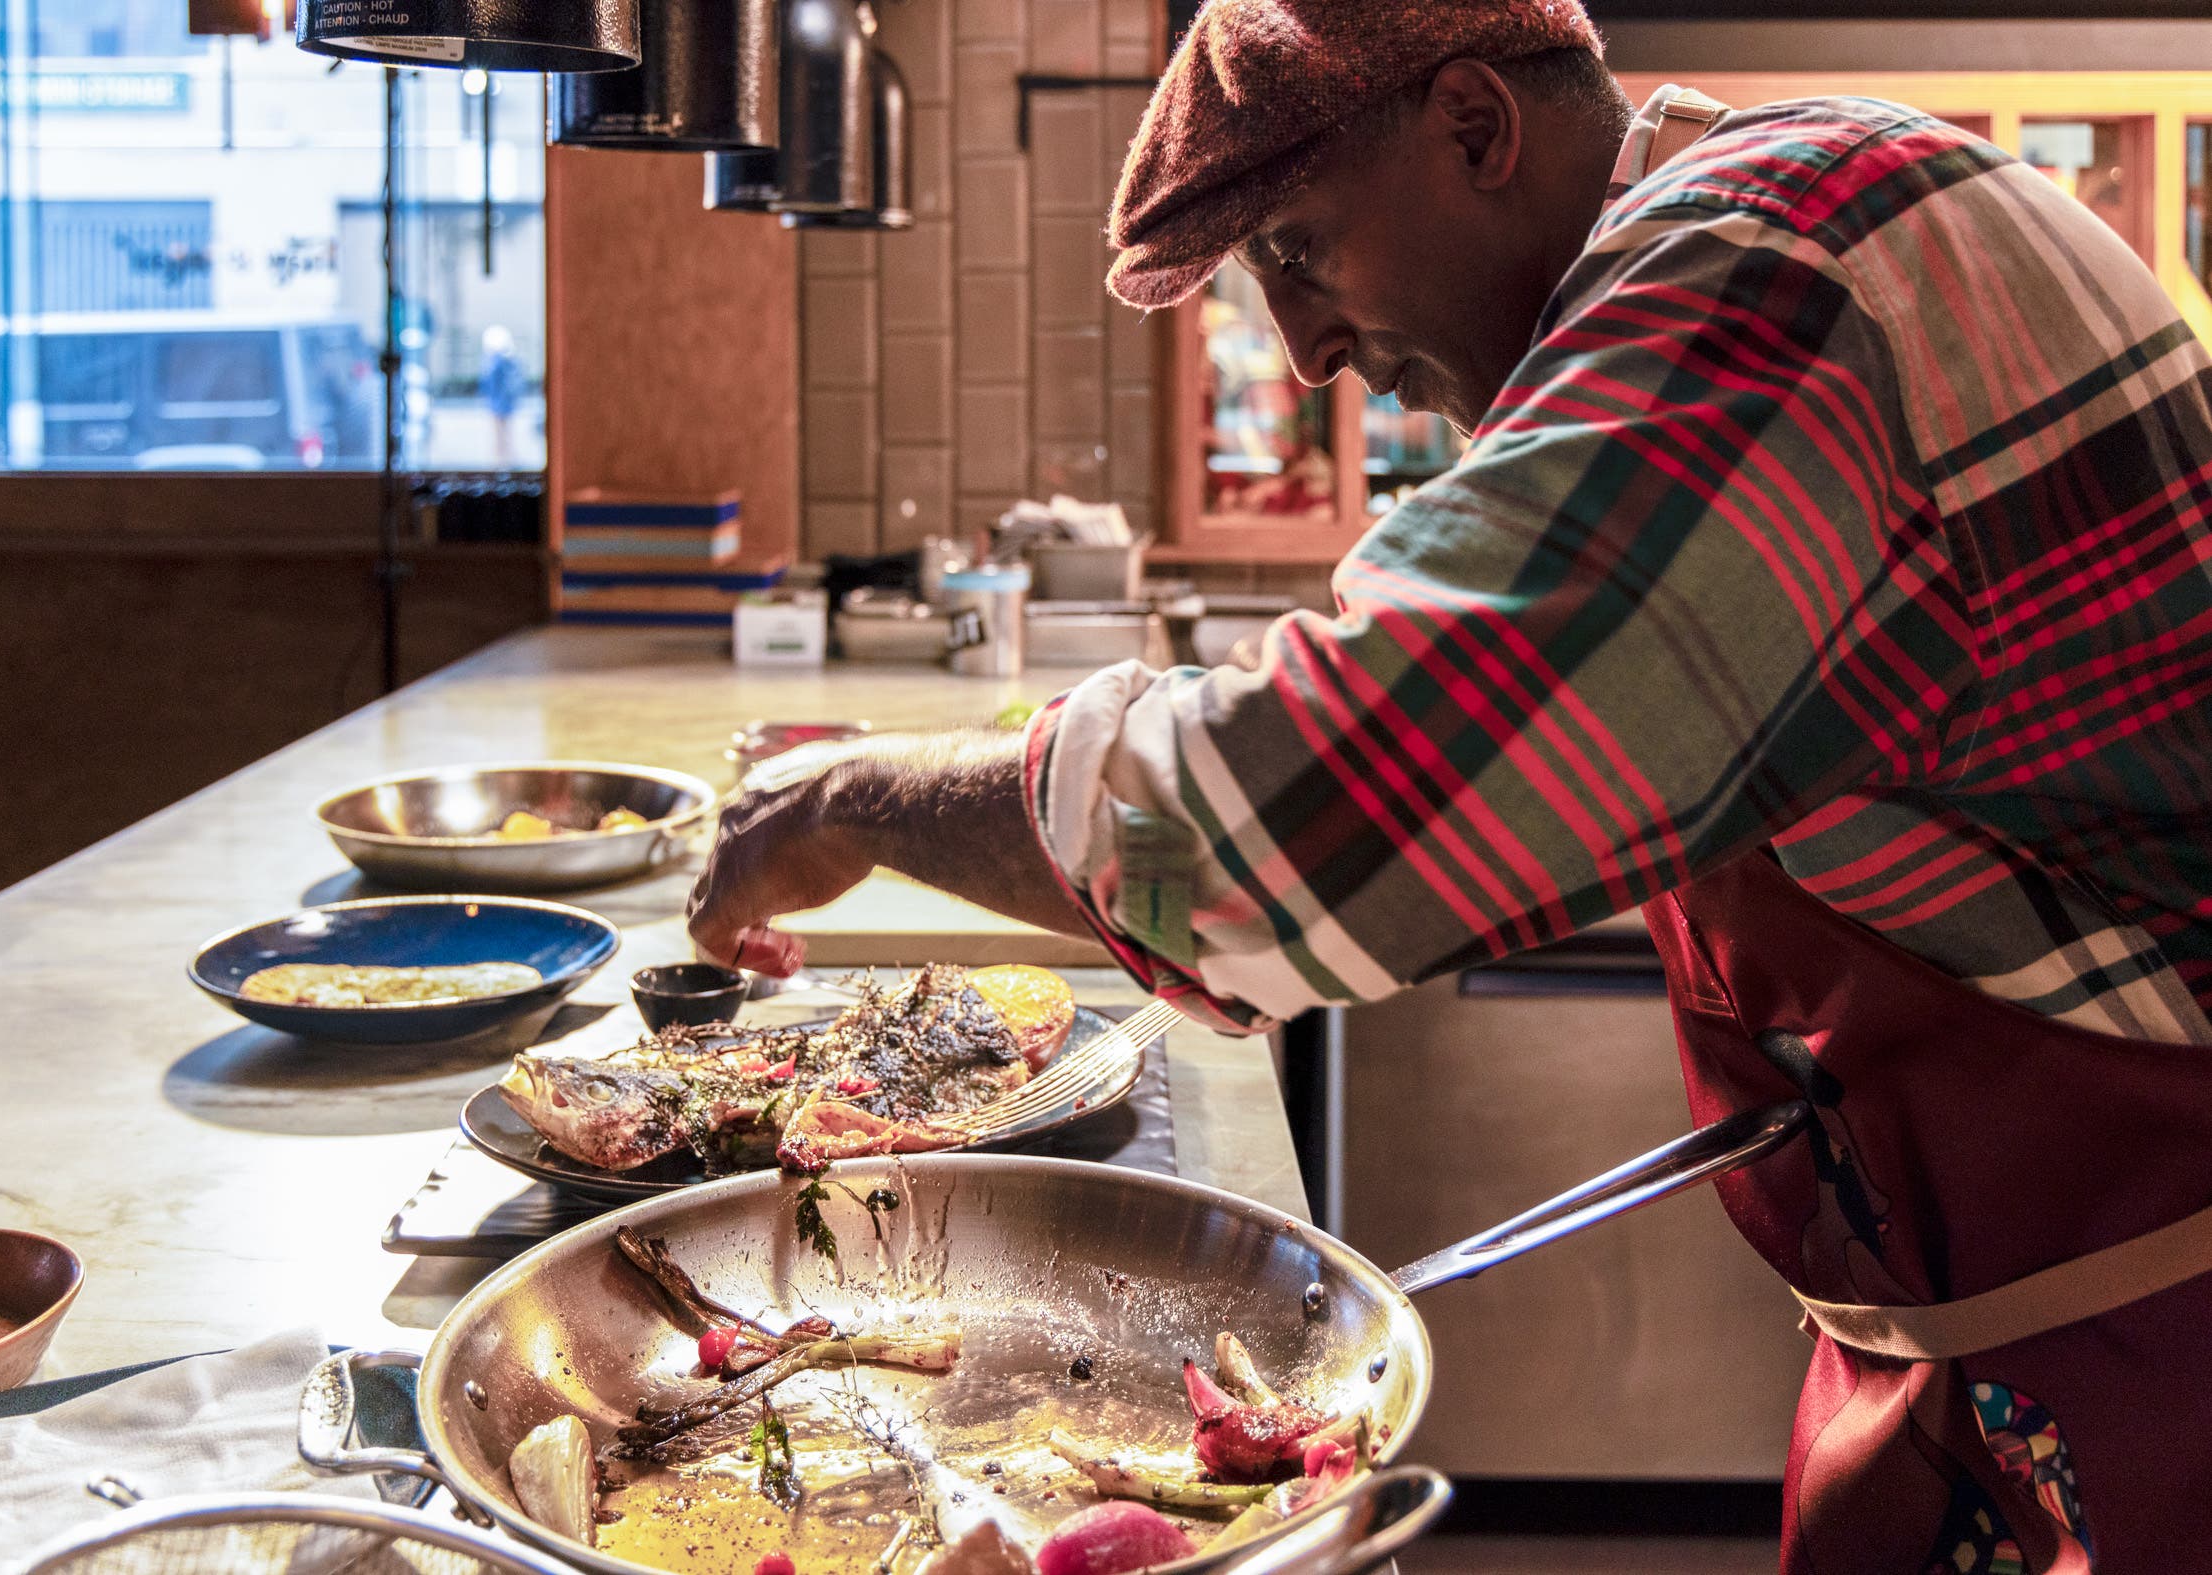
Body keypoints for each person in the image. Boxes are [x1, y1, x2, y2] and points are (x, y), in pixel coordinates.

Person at [688, 3, 2212, 1566]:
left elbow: (1261, 846)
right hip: (2019, 1339)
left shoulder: (1769, 275)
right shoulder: (1778, 210)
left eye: (1294, 248)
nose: (1304, 352)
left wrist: (854, 799)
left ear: (1476, 128)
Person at [477, 323, 523, 468]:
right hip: (505, 403)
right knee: (504, 433)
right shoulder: (509, 359)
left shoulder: (496, 362)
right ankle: (505, 460)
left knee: (500, 434)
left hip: (499, 403)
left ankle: (502, 461)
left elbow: (489, 383)